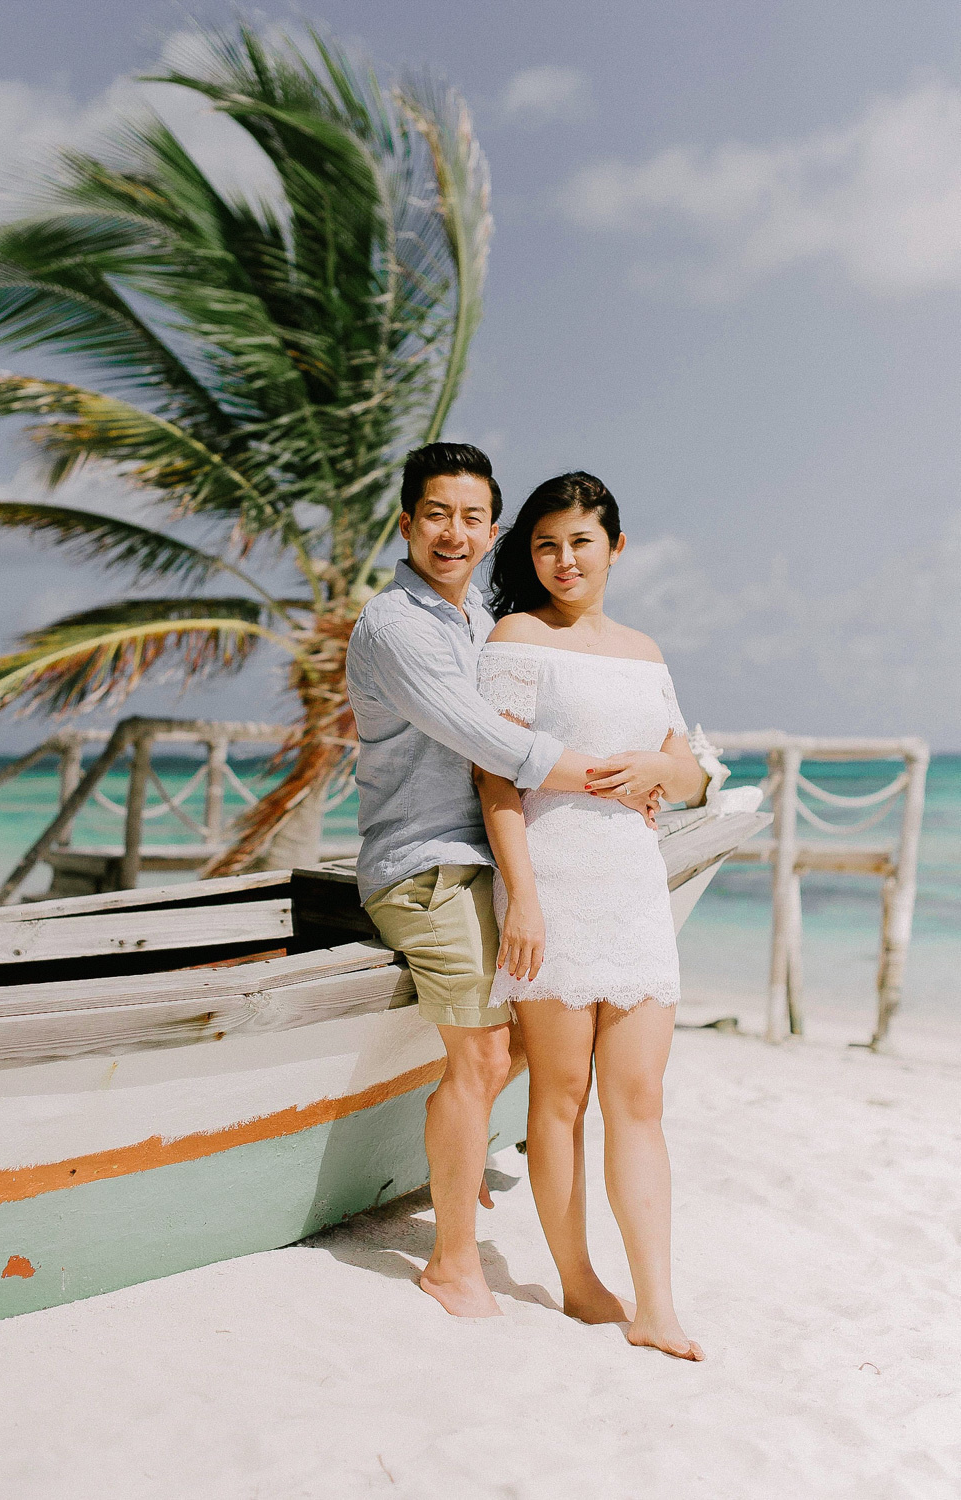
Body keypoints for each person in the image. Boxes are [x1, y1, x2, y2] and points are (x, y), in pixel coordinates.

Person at [346, 444, 661, 1319]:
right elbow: (493, 744)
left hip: (499, 853)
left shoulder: (485, 620)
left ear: (493, 532)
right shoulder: (398, 627)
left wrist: (669, 769)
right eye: (436, 515)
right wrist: (616, 779)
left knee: (539, 1046)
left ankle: (457, 1145)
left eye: (473, 518)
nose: (454, 533)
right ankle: (453, 1262)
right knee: (487, 1055)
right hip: (427, 863)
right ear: (406, 524)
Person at [473, 471, 708, 1359]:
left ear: (616, 546)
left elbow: (689, 772)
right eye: (545, 544)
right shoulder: (516, 637)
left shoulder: (645, 652)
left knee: (640, 1099)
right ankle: (577, 1281)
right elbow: (494, 776)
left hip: (633, 887)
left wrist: (660, 773)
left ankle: (658, 1306)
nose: (563, 559)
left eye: (580, 541)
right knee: (562, 1095)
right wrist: (524, 900)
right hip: (553, 882)